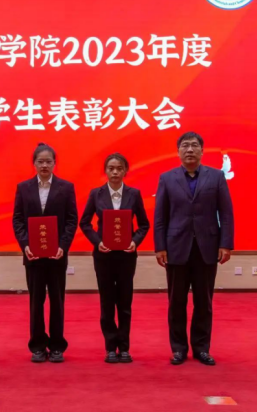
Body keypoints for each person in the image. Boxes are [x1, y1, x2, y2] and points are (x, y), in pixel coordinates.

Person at [154, 131, 234, 366]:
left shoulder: (216, 176)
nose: (190, 149)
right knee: (176, 302)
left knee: (204, 302)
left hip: (206, 248)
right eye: (185, 146)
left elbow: (226, 213)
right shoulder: (167, 178)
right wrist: (160, 247)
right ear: (178, 151)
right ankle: (178, 348)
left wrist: (226, 244)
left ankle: (201, 348)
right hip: (176, 248)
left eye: (194, 145)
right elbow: (160, 217)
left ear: (202, 150)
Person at [79, 152, 150, 364]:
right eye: (111, 168)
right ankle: (110, 347)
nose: (115, 172)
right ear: (105, 171)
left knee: (125, 303)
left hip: (126, 256)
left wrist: (135, 241)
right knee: (107, 302)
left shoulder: (134, 194)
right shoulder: (96, 194)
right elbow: (84, 223)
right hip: (104, 256)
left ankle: (124, 347)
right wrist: (97, 241)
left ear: (125, 171)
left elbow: (144, 224)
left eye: (119, 168)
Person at [12, 142, 78, 363]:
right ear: (34, 163)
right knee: (36, 302)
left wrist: (62, 247)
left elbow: (71, 220)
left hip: (56, 256)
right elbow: (18, 220)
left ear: (54, 163)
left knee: (57, 302)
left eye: (48, 161)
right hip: (33, 256)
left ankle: (57, 346)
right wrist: (25, 245)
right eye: (40, 161)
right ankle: (38, 345)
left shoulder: (66, 187)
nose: (44, 165)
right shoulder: (23, 188)